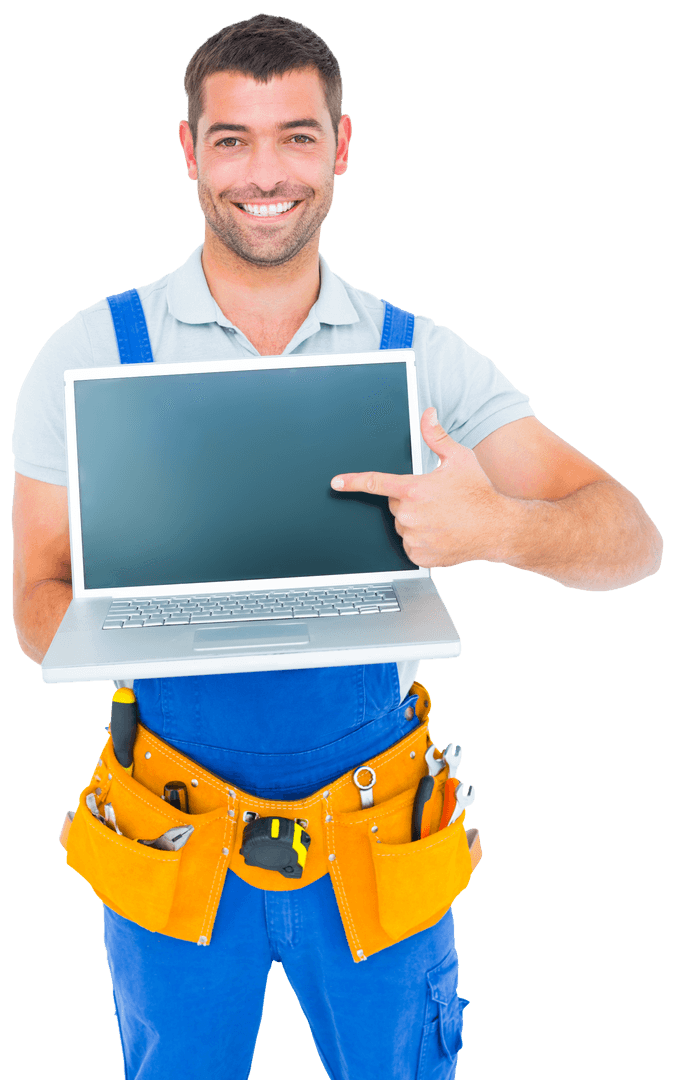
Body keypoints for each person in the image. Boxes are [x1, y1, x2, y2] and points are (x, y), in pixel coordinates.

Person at [11, 13, 662, 1080]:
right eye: (232, 138)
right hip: (170, 834)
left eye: (296, 136)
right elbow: (36, 594)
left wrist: (494, 526)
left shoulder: (420, 360)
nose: (265, 173)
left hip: (376, 841)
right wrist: (118, 631)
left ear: (342, 145)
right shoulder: (89, 356)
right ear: (189, 151)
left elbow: (632, 538)